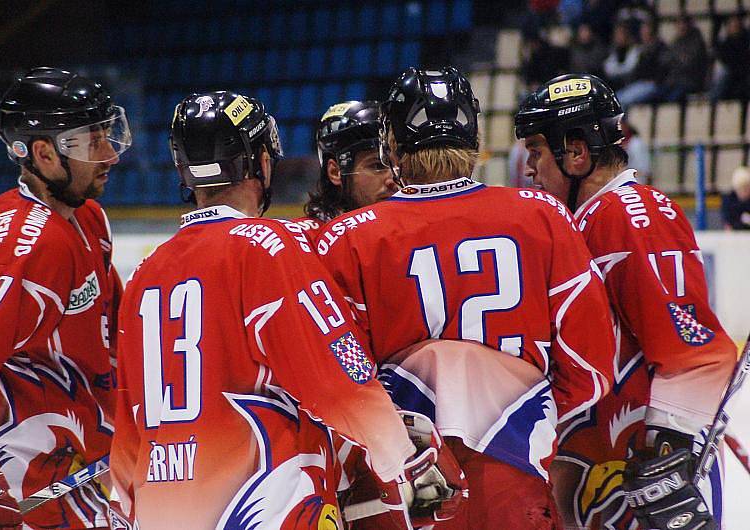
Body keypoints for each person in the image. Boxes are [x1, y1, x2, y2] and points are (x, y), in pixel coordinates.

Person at [108, 90, 466, 530]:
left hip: (160, 509)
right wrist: (403, 457)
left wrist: (122, 508)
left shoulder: (144, 274)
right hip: (265, 504)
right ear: (260, 160)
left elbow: (127, 422)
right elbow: (340, 375)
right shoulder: (267, 247)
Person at [316, 66, 616, 529]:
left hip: (403, 493)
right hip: (516, 485)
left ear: (392, 146)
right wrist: (525, 426)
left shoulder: (345, 240)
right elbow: (592, 366)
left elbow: (338, 381)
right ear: (473, 139)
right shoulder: (543, 217)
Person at [515, 73, 738, 530]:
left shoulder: (631, 214)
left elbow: (692, 348)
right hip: (603, 459)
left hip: (641, 473)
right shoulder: (592, 218)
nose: (529, 167)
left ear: (576, 152)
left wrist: (669, 450)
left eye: (537, 150)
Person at [0, 67, 131, 529]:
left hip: (82, 463)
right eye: (93, 142)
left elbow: (114, 330)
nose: (110, 154)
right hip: (25, 478)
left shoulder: (89, 218)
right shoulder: (20, 246)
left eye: (108, 135)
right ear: (44, 154)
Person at [297, 100, 397, 240]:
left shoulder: (409, 230)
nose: (393, 179)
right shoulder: (308, 243)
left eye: (398, 165)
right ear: (335, 172)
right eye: (377, 166)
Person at [721, 165, 750, 230]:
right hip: (735, 236)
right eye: (741, 189)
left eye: (747, 188)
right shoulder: (729, 200)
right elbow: (727, 225)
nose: (744, 192)